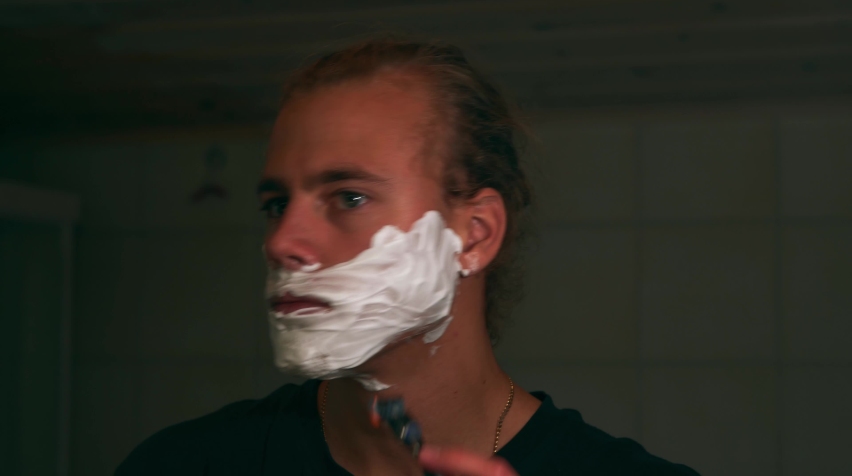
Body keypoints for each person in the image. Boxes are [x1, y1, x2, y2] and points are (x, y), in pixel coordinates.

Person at [116, 37, 698, 476]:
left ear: (473, 235)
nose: (280, 242)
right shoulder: (180, 465)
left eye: (349, 197)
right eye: (275, 203)